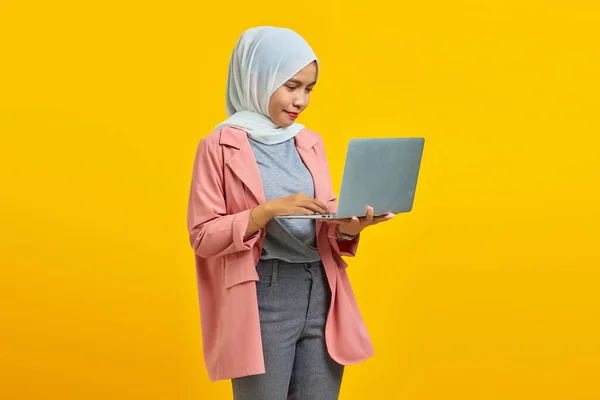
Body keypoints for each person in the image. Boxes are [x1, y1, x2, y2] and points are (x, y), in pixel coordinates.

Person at [186, 26, 395, 400]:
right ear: (257, 78)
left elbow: (323, 220)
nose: (301, 100)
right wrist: (265, 212)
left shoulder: (309, 141)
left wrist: (348, 228)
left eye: (309, 88)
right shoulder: (218, 145)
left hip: (322, 290)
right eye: (291, 86)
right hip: (262, 294)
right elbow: (202, 236)